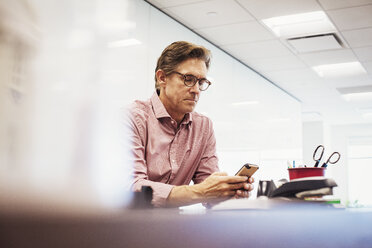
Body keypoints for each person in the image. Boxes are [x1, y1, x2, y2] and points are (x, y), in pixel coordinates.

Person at [128, 41, 254, 207]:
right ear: (162, 78)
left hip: (172, 227)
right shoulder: (132, 118)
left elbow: (209, 189)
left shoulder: (203, 126)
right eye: (188, 79)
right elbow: (133, 188)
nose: (196, 90)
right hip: (127, 226)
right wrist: (202, 192)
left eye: (201, 82)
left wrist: (227, 194)